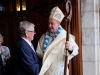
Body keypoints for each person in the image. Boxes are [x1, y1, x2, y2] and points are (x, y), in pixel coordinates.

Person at [36, 6, 79, 75]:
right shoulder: (43, 37)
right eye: (48, 23)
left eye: (52, 23)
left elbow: (76, 50)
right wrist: (48, 57)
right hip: (46, 70)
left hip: (60, 71)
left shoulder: (65, 36)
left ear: (58, 24)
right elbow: (38, 51)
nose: (49, 26)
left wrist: (70, 48)